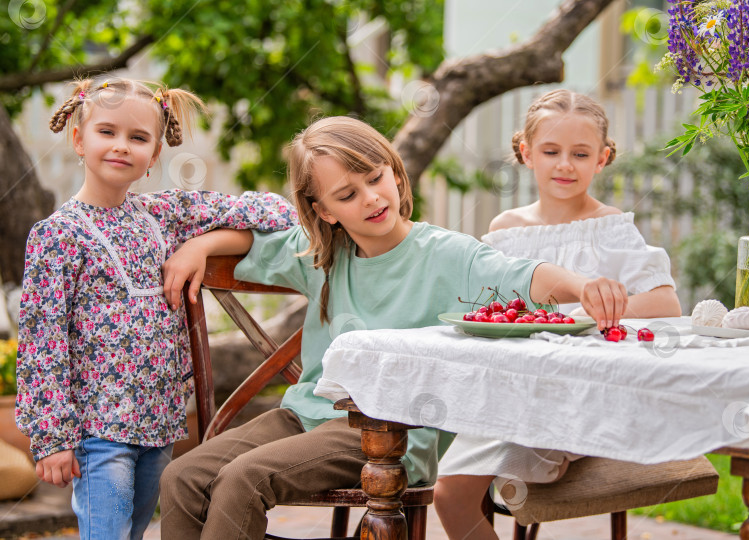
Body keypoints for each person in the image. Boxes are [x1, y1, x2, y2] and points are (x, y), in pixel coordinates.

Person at [157, 115, 630, 538]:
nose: (371, 198)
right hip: (303, 416)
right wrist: (201, 246)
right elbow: (254, 245)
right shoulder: (320, 252)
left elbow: (522, 276)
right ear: (323, 210)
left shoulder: (446, 254)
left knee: (245, 478)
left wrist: (582, 285)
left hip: (387, 429)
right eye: (346, 195)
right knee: (183, 477)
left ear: (394, 172)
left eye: (375, 178)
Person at [14, 76, 297, 540]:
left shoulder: (164, 215)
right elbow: (43, 343)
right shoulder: (57, 235)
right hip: (99, 429)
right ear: (79, 139)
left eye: (139, 138)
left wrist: (201, 246)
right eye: (107, 132)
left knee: (135, 532)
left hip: (160, 421)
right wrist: (52, 438)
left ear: (154, 156)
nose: (122, 146)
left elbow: (275, 212)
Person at [433, 88, 682, 539]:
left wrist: (592, 308)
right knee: (448, 495)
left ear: (602, 159)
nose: (565, 165)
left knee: (474, 487)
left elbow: (667, 303)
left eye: (580, 153)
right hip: (508, 388)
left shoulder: (612, 228)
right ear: (527, 153)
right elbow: (492, 304)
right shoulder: (506, 230)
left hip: (582, 391)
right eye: (551, 151)